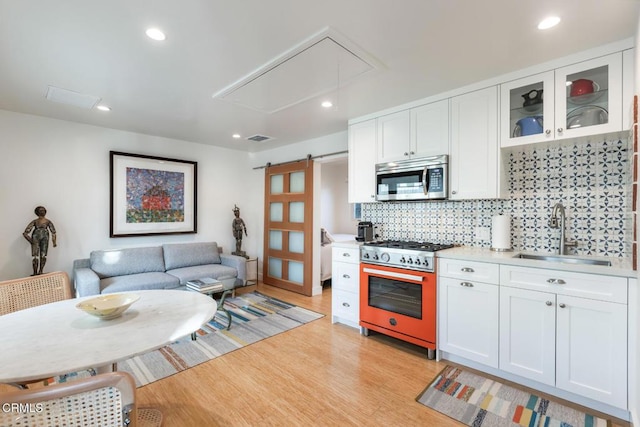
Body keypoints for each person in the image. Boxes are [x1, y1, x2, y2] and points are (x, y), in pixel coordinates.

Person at [23, 206, 57, 275]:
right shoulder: (35, 221)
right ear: (37, 212)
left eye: (43, 210)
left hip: (45, 237)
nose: (42, 212)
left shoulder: (48, 221)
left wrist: (54, 242)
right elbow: (25, 233)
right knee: (35, 256)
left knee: (43, 255)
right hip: (36, 237)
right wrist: (31, 241)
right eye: (40, 210)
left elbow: (53, 232)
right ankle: (35, 272)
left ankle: (41, 271)